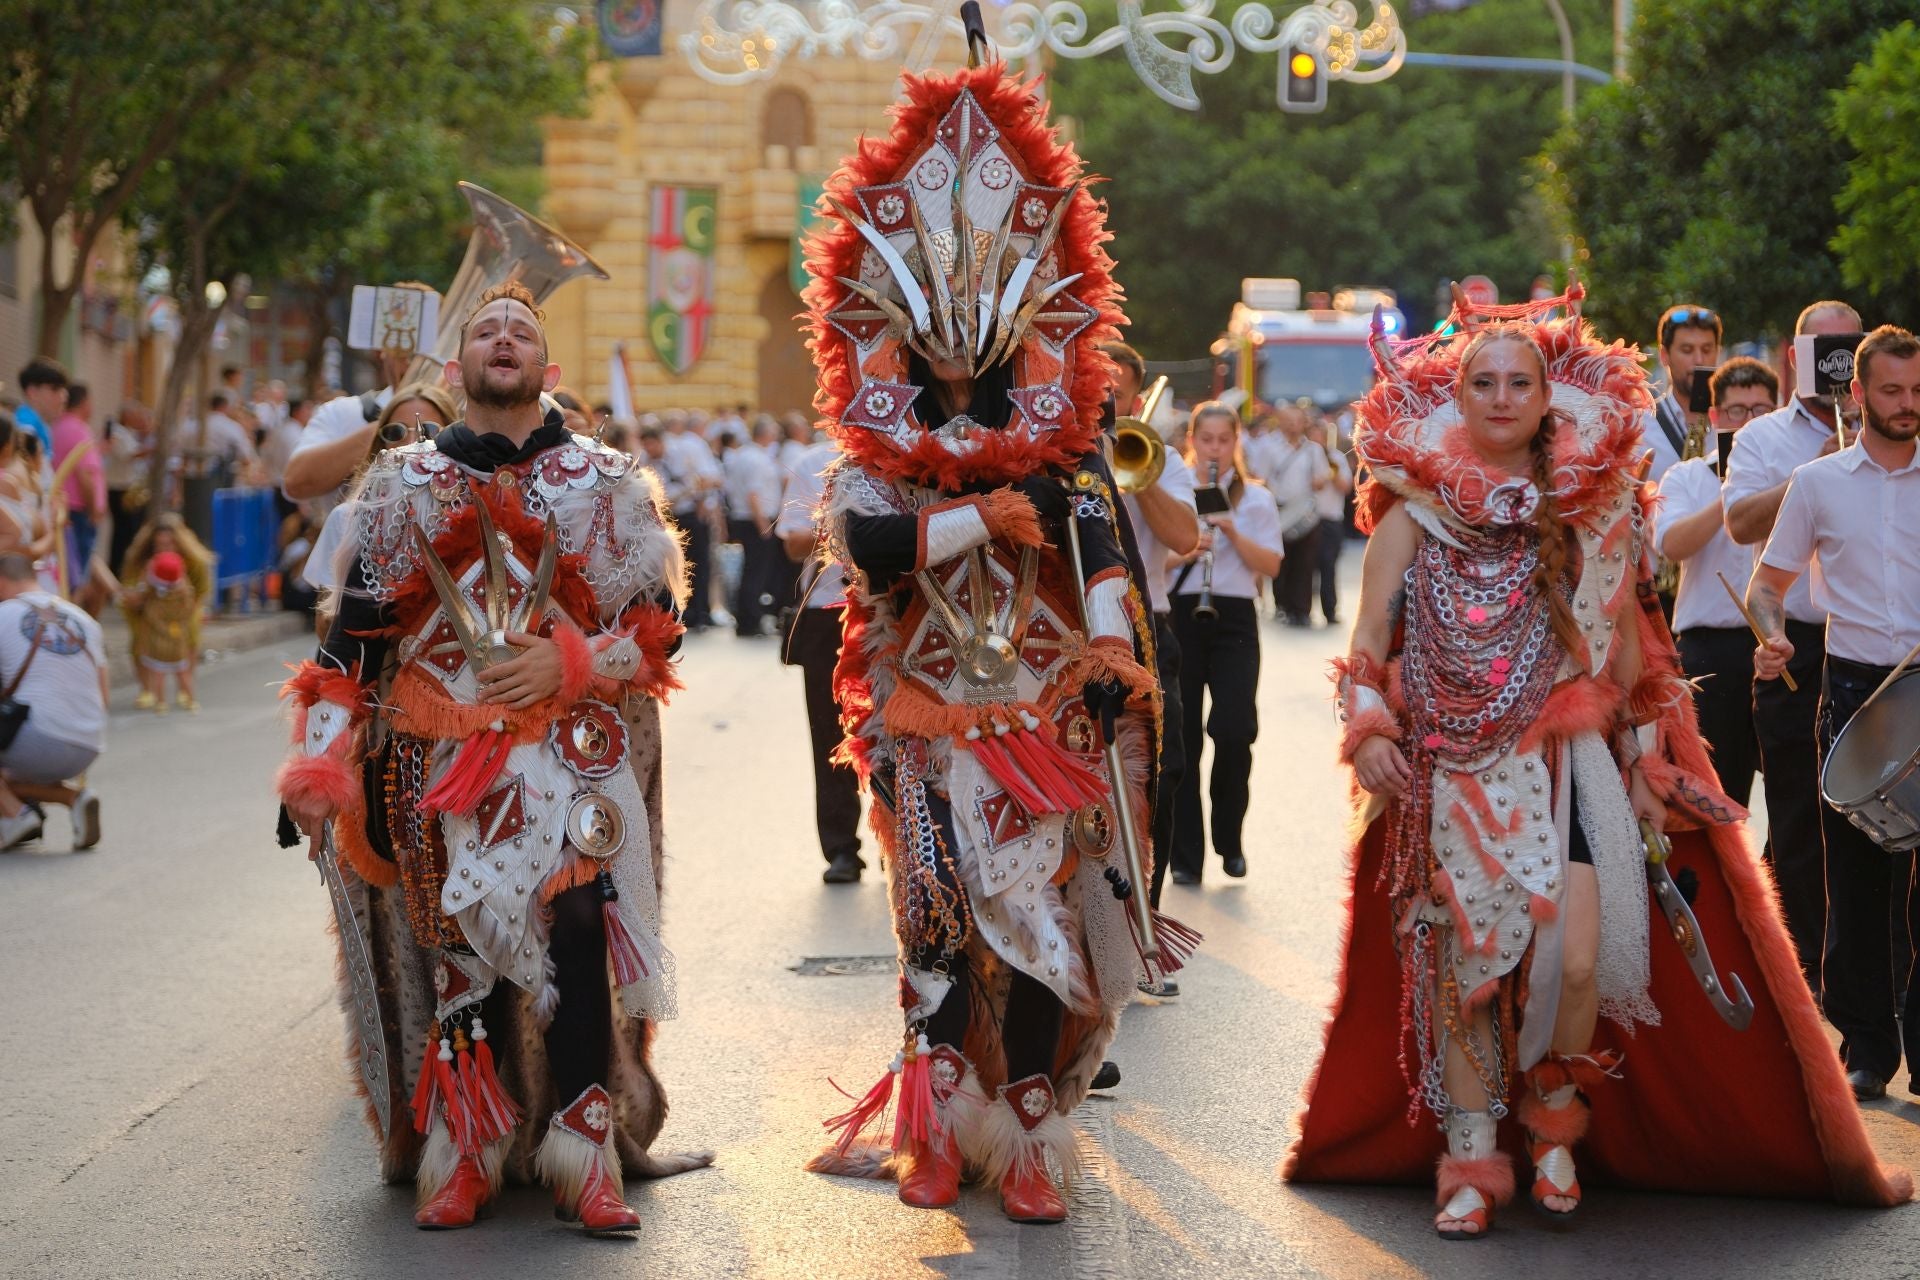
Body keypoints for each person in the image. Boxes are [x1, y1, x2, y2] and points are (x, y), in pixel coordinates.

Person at [1286, 291, 1912, 1236]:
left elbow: (1631, 660)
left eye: (1518, 383)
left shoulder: (1595, 512)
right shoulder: (1410, 516)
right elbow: (1368, 640)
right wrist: (1370, 729)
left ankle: (1554, 1128)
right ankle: (1469, 1159)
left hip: (1571, 763)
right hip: (1452, 764)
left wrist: (1649, 762)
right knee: (1468, 965)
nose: (1500, 399)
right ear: (1457, 398)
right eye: (1482, 383)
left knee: (1576, 961)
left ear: (1547, 399)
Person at [801, 59, 1183, 1225]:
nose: (959, 352)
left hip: (1038, 723)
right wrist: (978, 514)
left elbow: (1103, 562)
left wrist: (1115, 662)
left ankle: (1023, 1129)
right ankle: (930, 1127)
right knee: (931, 915)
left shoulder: (1067, 461)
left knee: (1031, 925)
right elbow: (871, 543)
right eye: (936, 333)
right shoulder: (874, 458)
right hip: (919, 719)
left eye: (981, 330)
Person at [274, 281, 708, 1232]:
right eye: (485, 330)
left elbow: (664, 630)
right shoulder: (401, 482)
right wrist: (316, 766)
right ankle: (464, 1150)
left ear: (546, 370)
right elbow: (350, 636)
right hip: (443, 748)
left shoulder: (605, 479)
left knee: (585, 927)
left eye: (521, 331)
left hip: (570, 746)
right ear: (460, 367)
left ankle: (586, 1154)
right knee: (456, 946)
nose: (503, 338)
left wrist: (574, 657)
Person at [1750, 325, 1920, 1102]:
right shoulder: (1817, 484)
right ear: (1857, 393)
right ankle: (1867, 1049)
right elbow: (1764, 585)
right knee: (1855, 884)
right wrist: (1775, 637)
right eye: (1891, 391)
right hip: (1852, 689)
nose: (1907, 404)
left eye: (1917, 391)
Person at [1723, 299, 1863, 988]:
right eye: (1824, 346)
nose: (1838, 358)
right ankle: (1808, 971)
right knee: (1799, 814)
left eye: (1849, 345)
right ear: (1794, 355)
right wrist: (1817, 474)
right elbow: (1742, 522)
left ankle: (1874, 973)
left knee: (1875, 819)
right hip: (1794, 642)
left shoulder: (1894, 431)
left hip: (1873, 642)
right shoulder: (1763, 438)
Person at [1103, 341, 1200, 934]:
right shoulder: (1059, 455)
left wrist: (1136, 477)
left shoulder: (1161, 460)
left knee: (1162, 774)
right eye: (1097, 392)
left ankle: (1145, 921)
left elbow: (1185, 537)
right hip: (1081, 634)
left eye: (1115, 394)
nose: (1106, 402)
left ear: (1136, 399)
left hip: (1148, 628)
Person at [1653, 357, 1777, 809]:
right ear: (1717, 417)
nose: (1749, 422)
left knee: (1794, 788)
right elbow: (1671, 543)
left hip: (1780, 645)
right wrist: (1731, 494)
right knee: (1718, 794)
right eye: (1738, 411)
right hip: (1712, 650)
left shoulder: (1790, 475)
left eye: (1762, 410)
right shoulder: (1686, 475)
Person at [1168, 403, 1283, 884]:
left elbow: (1272, 566)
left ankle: (1229, 839)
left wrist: (1231, 528)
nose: (1214, 448)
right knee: (1183, 742)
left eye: (1223, 439)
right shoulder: (1172, 494)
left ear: (1235, 441)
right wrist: (1190, 548)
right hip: (1181, 617)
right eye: (1206, 439)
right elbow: (1153, 563)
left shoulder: (1255, 498)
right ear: (1193, 439)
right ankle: (1185, 856)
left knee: (1235, 731)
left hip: (1234, 618)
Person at [776, 438, 865, 883]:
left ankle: (908, 840)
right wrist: (847, 524)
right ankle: (841, 848)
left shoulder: (901, 447)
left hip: (894, 609)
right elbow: (793, 544)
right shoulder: (813, 461)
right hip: (828, 613)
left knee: (906, 731)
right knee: (830, 737)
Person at [300, 383, 457, 601]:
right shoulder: (345, 518)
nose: (411, 443)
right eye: (396, 432)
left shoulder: (472, 514)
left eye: (428, 431)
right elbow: (328, 618)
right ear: (380, 445)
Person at [0, 552, 106, 851]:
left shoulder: (4, 614)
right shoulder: (85, 620)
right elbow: (104, 695)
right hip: (89, 743)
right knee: (6, 775)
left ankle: (17, 815)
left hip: (41, 741)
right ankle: (75, 798)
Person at [118, 514, 213, 712]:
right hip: (149, 612)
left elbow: (200, 592)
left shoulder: (193, 562)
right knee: (141, 639)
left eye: (170, 544)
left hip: (181, 613)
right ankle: (148, 690)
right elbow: (129, 592)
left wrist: (183, 604)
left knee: (190, 635)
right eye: (159, 545)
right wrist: (144, 590)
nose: (164, 549)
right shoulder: (141, 562)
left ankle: (185, 691)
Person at [1251, 404, 1325, 627]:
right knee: (1281, 561)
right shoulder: (1268, 447)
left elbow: (1322, 478)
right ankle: (1282, 605)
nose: (1293, 425)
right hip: (1278, 511)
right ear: (1280, 421)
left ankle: (1301, 609)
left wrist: (1318, 481)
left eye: (1297, 420)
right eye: (1288, 420)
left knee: (1305, 562)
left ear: (1304, 423)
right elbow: (1259, 477)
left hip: (1304, 513)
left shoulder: (1313, 449)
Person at [1639, 304, 1722, 483]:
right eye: (1687, 350)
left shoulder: (1735, 422)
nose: (1699, 360)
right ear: (1664, 355)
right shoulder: (1641, 428)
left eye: (1707, 350)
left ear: (1718, 352)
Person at [720, 418, 781, 637]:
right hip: (755, 519)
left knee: (750, 570)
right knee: (756, 572)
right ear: (764, 434)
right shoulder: (755, 459)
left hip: (744, 518)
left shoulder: (743, 455)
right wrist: (763, 524)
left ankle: (746, 617)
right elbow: (753, 494)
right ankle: (750, 619)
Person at [51, 382, 107, 582]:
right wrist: (92, 511)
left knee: (71, 569)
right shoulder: (79, 430)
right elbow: (85, 476)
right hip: (79, 510)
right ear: (83, 402)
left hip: (65, 508)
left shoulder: (57, 426)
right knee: (77, 575)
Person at [1309, 417, 1352, 626]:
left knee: (1328, 566)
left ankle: (1330, 611)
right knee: (1305, 567)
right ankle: (1301, 610)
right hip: (1308, 519)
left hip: (1330, 520)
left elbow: (1345, 487)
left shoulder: (1336, 458)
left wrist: (1329, 471)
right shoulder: (1305, 457)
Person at [12, 358, 65, 459]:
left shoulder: (40, 426)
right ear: (32, 392)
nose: (63, 397)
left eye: (63, 390)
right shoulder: (25, 427)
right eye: (55, 389)